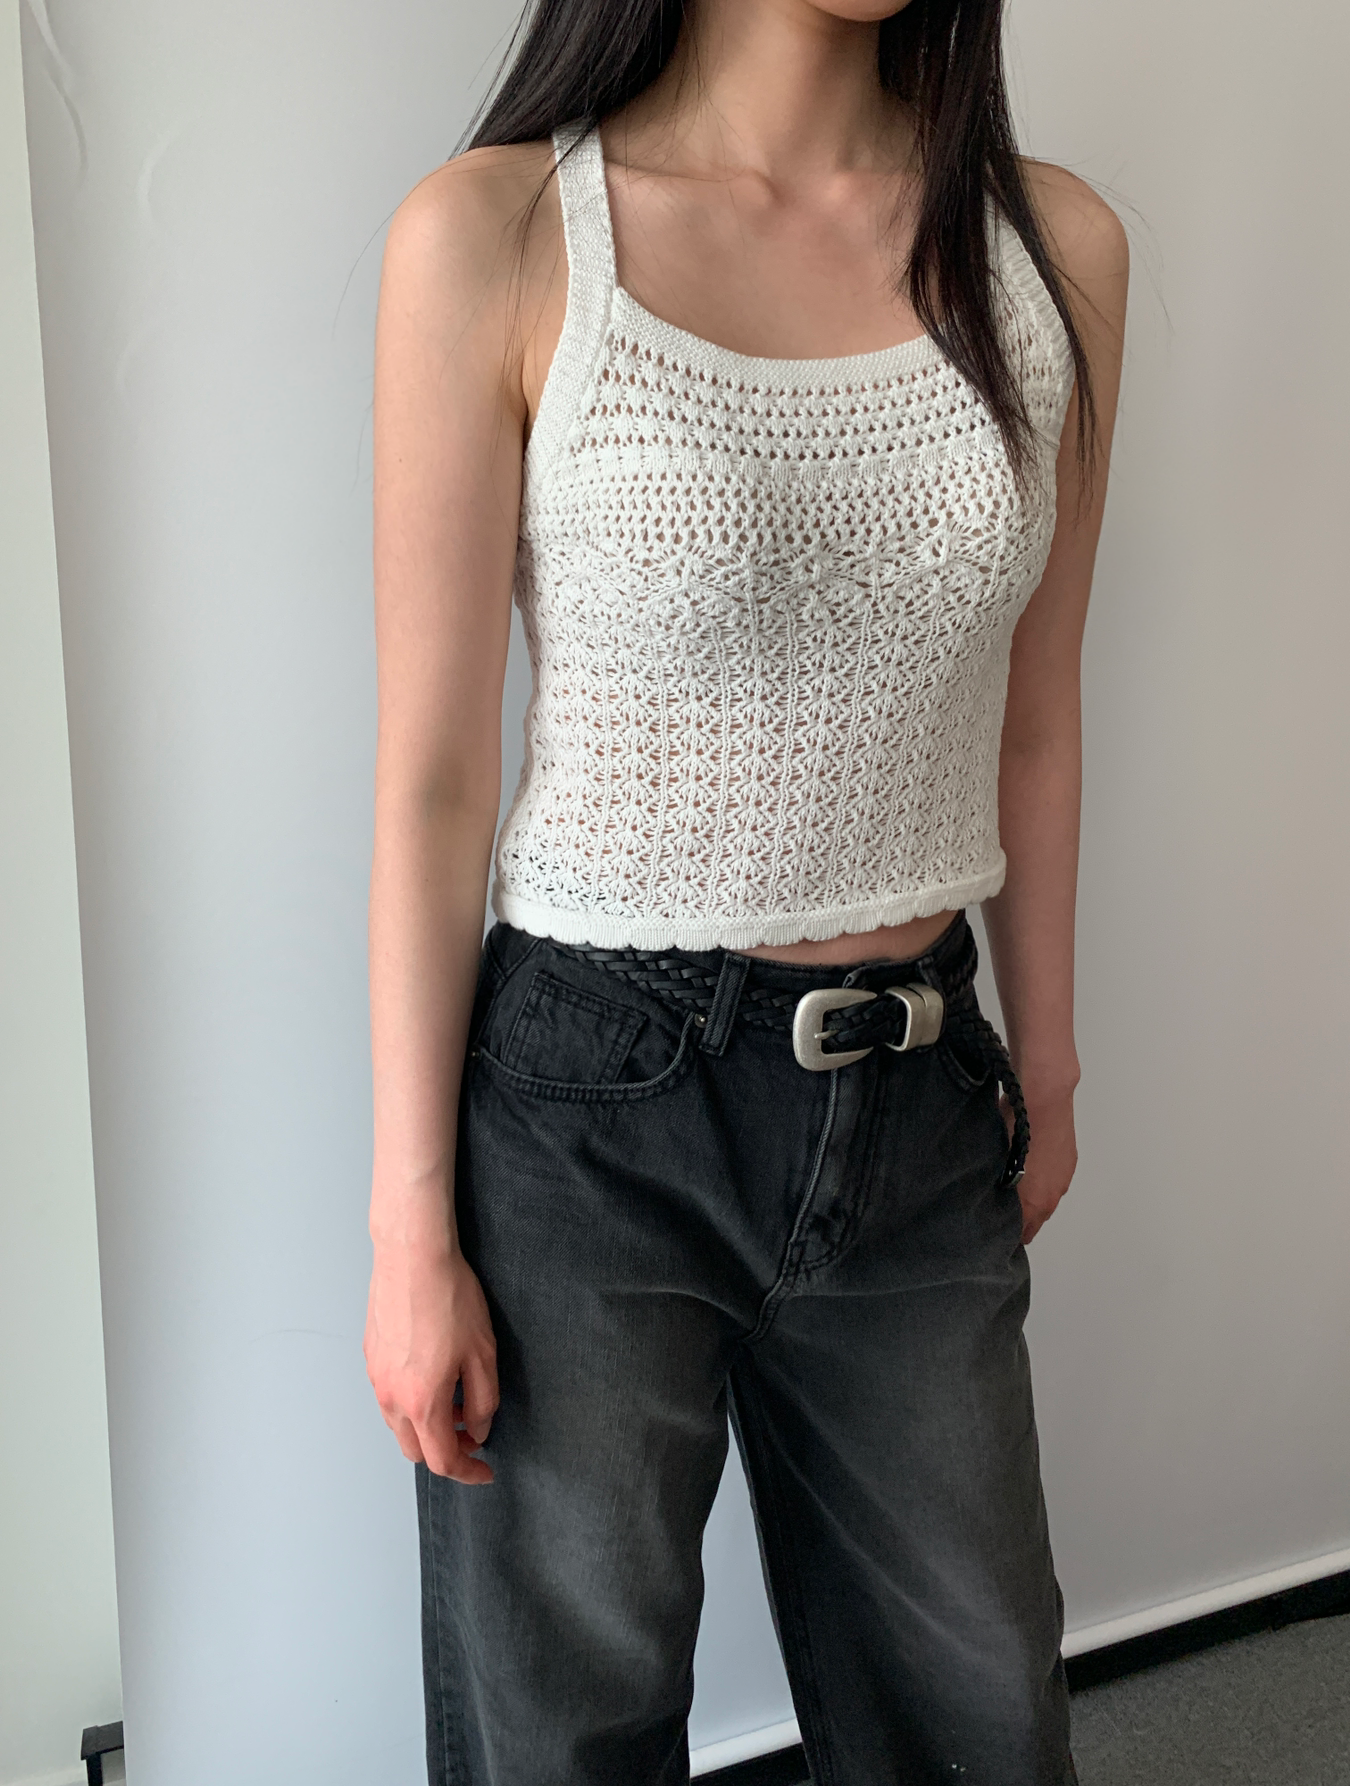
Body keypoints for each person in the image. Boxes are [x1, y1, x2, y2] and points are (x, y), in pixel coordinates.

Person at [364, 0, 1127, 1780]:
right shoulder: (496, 236)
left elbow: (1036, 715)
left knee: (979, 1714)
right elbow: (430, 779)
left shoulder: (1050, 251)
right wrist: (411, 1229)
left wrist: (1050, 1061)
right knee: (565, 1729)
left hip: (919, 1091)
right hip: (588, 1110)